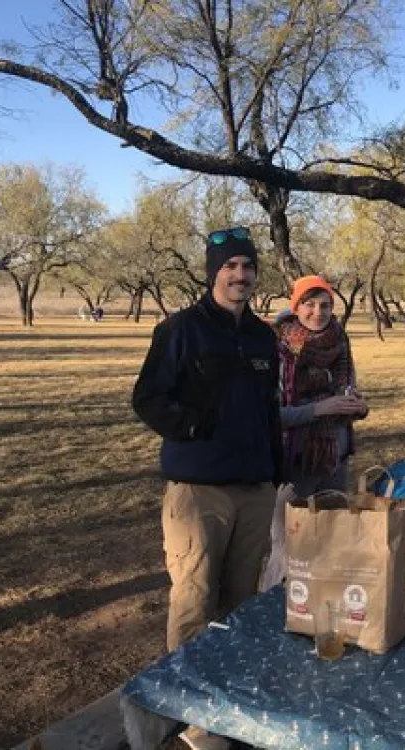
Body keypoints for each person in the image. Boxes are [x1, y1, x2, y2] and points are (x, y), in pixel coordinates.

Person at [132, 226, 281, 654]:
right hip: (200, 492)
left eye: (248, 266)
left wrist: (274, 466)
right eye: (230, 265)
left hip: (255, 490)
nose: (240, 275)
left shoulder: (262, 337)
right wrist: (195, 429)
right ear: (213, 272)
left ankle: (231, 685)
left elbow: (269, 406)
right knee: (194, 601)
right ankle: (186, 692)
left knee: (242, 602)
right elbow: (147, 399)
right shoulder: (180, 330)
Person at [275, 275, 367, 498]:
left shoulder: (340, 341)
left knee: (334, 518)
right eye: (310, 304)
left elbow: (347, 391)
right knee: (292, 521)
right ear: (296, 308)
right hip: (294, 463)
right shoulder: (279, 349)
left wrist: (358, 407)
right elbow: (272, 416)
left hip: (336, 459)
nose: (318, 312)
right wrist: (319, 409)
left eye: (325, 305)